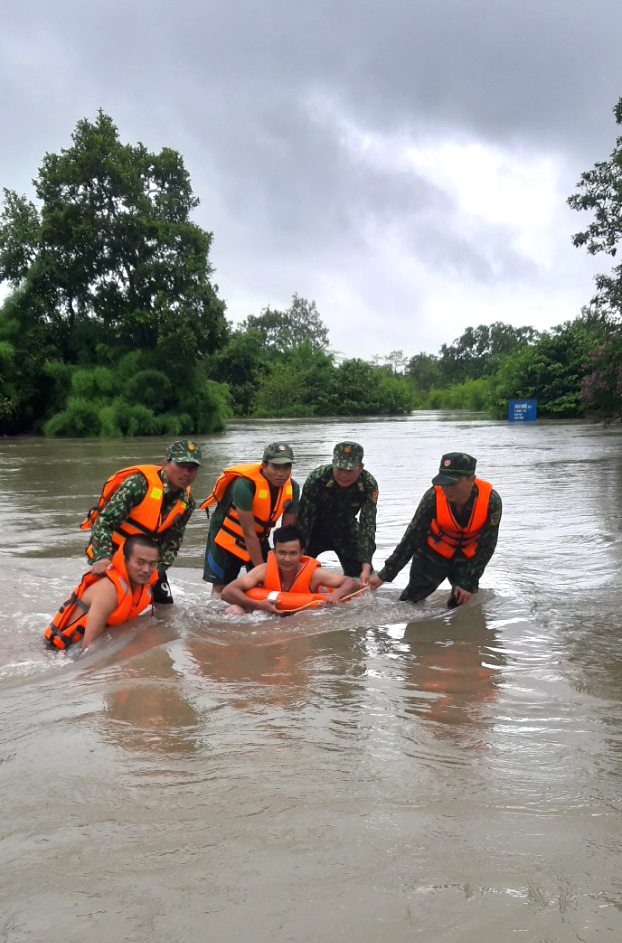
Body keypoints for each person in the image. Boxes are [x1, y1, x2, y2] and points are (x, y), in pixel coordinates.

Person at [369, 452, 501, 607]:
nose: (447, 489)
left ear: (471, 480)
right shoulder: (433, 497)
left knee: (461, 606)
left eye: (453, 483)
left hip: (467, 557)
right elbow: (412, 537)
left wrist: (469, 582)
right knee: (410, 602)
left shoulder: (491, 502)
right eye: (444, 483)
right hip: (433, 552)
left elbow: (487, 545)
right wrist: (385, 574)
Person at [81, 439, 201, 604]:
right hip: (113, 554)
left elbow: (172, 542)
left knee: (165, 607)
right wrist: (102, 557)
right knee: (109, 605)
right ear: (166, 464)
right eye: (181, 465)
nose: (187, 472)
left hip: (147, 562)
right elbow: (104, 522)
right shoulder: (138, 484)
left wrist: (156, 570)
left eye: (192, 468)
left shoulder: (187, 503)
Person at [202, 442, 299, 593]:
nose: (281, 473)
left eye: (286, 467)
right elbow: (248, 533)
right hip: (225, 538)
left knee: (269, 584)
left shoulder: (293, 488)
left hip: (259, 538)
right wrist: (262, 571)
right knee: (221, 588)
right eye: (276, 467)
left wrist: (283, 566)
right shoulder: (244, 486)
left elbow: (287, 535)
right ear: (264, 465)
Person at [44, 535, 160, 650]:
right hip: (57, 651)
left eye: (152, 564)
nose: (146, 570)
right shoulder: (108, 591)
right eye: (140, 562)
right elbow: (89, 648)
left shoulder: (142, 587)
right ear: (124, 561)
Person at [221, 524, 362, 614]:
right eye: (282, 553)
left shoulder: (314, 575)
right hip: (264, 614)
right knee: (233, 610)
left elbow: (353, 583)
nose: (287, 559)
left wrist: (336, 595)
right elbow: (227, 592)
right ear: (274, 552)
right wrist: (258, 605)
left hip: (302, 619)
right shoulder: (263, 571)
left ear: (301, 553)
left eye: (293, 553)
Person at [297, 441, 378, 584]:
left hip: (346, 529)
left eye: (350, 470)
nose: (343, 475)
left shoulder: (368, 483)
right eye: (339, 469)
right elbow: (304, 518)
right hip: (315, 530)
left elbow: (368, 524)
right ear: (333, 464)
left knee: (362, 576)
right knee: (298, 568)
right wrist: (299, 549)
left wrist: (366, 564)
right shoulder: (318, 478)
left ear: (360, 468)